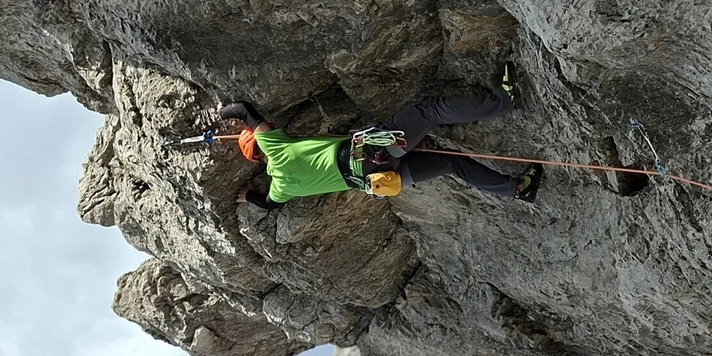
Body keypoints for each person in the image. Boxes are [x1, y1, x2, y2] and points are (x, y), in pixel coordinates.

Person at [220, 71, 542, 207]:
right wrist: (225, 114)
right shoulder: (278, 151)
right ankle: (504, 100)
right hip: (372, 152)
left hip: (381, 179)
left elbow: (268, 205)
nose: (272, 127)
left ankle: (516, 190)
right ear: (260, 147)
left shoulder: (281, 188)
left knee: (450, 163)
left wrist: (249, 196)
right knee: (428, 111)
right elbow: (244, 111)